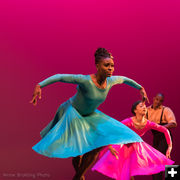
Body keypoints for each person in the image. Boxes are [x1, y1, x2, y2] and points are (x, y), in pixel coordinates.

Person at [30, 48, 148, 180]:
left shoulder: (111, 81)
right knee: (79, 150)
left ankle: (78, 176)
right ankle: (79, 175)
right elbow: (60, 77)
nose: (110, 68)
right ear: (97, 66)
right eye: (106, 65)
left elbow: (125, 79)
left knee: (97, 147)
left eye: (112, 66)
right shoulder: (85, 80)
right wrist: (39, 85)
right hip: (72, 113)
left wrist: (140, 88)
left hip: (90, 116)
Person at [92, 100, 174, 180]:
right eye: (141, 106)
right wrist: (110, 146)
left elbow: (165, 130)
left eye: (145, 106)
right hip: (122, 147)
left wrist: (169, 147)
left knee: (128, 173)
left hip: (135, 149)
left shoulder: (148, 124)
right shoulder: (128, 122)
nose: (144, 108)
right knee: (121, 173)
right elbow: (113, 131)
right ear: (135, 110)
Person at [147, 93, 177, 180]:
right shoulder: (147, 110)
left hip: (165, 136)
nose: (158, 102)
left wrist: (161, 128)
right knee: (153, 160)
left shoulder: (166, 110)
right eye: (157, 99)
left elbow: (173, 123)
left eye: (160, 101)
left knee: (159, 159)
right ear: (153, 99)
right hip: (156, 137)